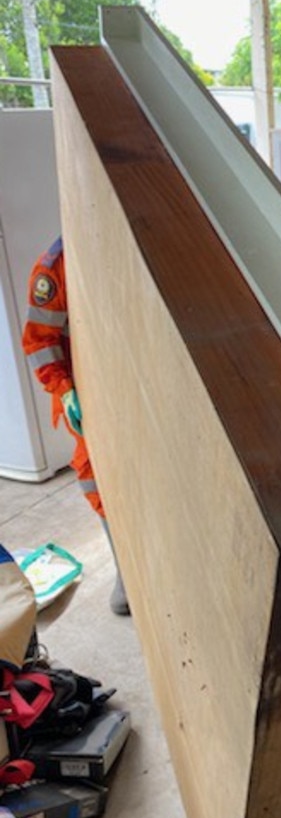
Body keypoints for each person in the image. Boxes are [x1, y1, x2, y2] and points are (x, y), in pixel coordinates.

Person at [21, 236, 130, 617]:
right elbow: (39, 341)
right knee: (94, 474)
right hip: (87, 390)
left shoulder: (137, 240)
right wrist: (65, 390)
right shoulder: (57, 265)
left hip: (135, 377)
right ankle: (127, 574)